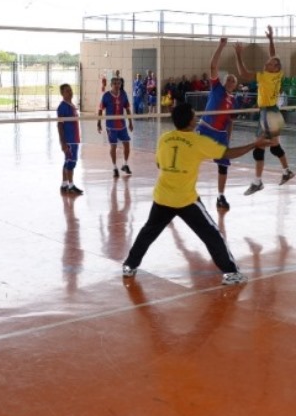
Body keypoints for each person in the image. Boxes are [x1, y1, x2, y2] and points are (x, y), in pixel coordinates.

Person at [122, 102, 274, 286]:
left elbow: (159, 165)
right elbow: (227, 153)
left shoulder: (164, 138)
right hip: (186, 200)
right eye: (194, 116)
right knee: (212, 235)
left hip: (162, 196)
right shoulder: (198, 141)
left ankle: (129, 265)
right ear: (188, 121)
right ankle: (231, 272)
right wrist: (254, 144)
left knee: (148, 232)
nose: (197, 119)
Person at [233, 25, 295, 194]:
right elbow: (274, 56)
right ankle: (286, 171)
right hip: (273, 112)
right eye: (269, 61)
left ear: (275, 67)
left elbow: (243, 73)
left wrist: (238, 55)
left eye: (271, 63)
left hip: (269, 113)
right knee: (274, 147)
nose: (268, 62)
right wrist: (271, 39)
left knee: (259, 147)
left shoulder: (265, 75)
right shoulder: (278, 74)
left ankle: (258, 182)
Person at [196, 38, 238, 211]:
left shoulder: (234, 101)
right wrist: (221, 46)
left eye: (232, 81)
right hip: (205, 128)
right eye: (227, 79)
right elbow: (213, 66)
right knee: (191, 155)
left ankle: (221, 196)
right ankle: (184, 189)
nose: (229, 82)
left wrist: (228, 138)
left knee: (223, 164)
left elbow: (230, 122)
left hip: (220, 134)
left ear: (235, 86)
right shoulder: (216, 88)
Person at [97, 77, 134, 178]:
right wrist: (98, 123)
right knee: (113, 146)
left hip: (122, 125)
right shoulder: (106, 96)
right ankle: (114, 167)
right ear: (111, 85)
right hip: (111, 126)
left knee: (127, 144)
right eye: (116, 84)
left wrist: (130, 122)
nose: (118, 86)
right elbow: (100, 110)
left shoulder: (123, 94)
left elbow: (127, 109)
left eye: (119, 84)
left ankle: (125, 164)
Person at [57, 83, 83, 195]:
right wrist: (63, 142)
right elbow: (60, 125)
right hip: (69, 139)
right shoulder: (62, 107)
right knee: (71, 162)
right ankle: (71, 185)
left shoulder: (72, 105)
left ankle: (64, 184)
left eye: (70, 90)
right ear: (62, 93)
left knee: (67, 161)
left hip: (75, 138)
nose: (70, 92)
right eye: (67, 91)